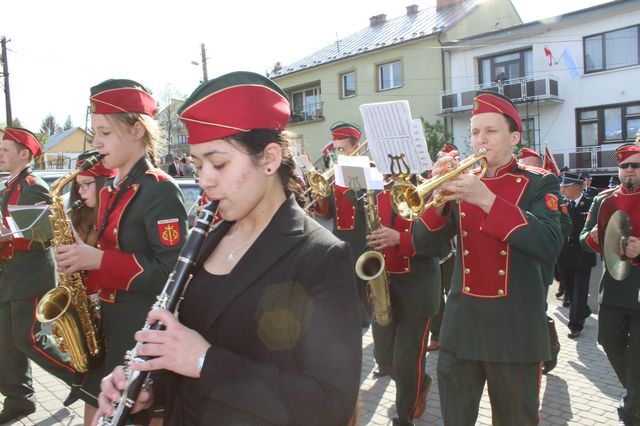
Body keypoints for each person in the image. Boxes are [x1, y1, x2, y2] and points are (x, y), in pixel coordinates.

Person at [94, 71, 362, 425]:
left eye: (218, 163)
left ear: (269, 159)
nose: (204, 180)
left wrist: (205, 361)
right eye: (197, 165)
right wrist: (149, 389)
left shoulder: (320, 256)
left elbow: (331, 405)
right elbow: (187, 360)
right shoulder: (207, 241)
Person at [423, 91, 563, 425]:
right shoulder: (461, 183)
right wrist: (436, 197)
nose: (480, 139)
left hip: (515, 329)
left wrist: (487, 200)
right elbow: (423, 247)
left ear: (514, 137)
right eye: (474, 132)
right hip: (461, 328)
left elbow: (549, 244)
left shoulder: (539, 183)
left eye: (490, 131)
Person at [54, 79, 188, 425]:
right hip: (110, 328)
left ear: (137, 130)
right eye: (95, 132)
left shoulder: (159, 190)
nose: (96, 142)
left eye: (105, 132)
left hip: (142, 333)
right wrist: (81, 265)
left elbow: (173, 272)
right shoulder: (111, 188)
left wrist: (97, 259)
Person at [0, 127, 76, 423]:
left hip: (31, 273)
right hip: (10, 274)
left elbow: (46, 234)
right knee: (6, 341)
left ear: (23, 154)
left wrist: (9, 235)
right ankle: (19, 400)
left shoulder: (34, 186)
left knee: (29, 338)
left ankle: (82, 379)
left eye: (5, 150)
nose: (0, 154)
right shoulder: (8, 186)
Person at [368, 175, 444, 425]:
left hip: (417, 289)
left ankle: (404, 417)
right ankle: (422, 383)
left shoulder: (429, 191)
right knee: (384, 357)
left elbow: (441, 247)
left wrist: (400, 239)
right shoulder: (376, 192)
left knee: (406, 363)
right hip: (385, 287)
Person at [580, 144, 640, 426]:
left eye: (635, 165)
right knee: (608, 340)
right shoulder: (603, 200)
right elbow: (584, 238)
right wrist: (593, 237)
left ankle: (631, 411)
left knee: (638, 355)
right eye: (624, 166)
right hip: (614, 287)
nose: (629, 170)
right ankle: (636, 392)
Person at [314, 121, 372, 327]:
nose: (338, 154)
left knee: (360, 281)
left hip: (361, 236)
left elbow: (365, 205)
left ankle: (364, 319)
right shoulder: (335, 173)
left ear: (356, 147)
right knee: (342, 280)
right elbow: (329, 212)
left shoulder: (368, 170)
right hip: (339, 235)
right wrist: (320, 200)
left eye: (342, 149)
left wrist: (347, 184)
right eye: (336, 149)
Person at [427, 143, 458, 353]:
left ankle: (455, 335)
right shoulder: (431, 182)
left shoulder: (461, 183)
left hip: (451, 251)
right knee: (436, 297)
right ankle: (437, 335)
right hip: (434, 251)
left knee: (453, 295)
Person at [557, 173, 596, 338]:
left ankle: (575, 324)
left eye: (566, 187)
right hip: (564, 254)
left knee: (580, 291)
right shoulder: (561, 205)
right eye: (562, 187)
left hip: (583, 254)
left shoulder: (591, 204)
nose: (562, 190)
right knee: (570, 289)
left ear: (577, 187)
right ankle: (583, 310)